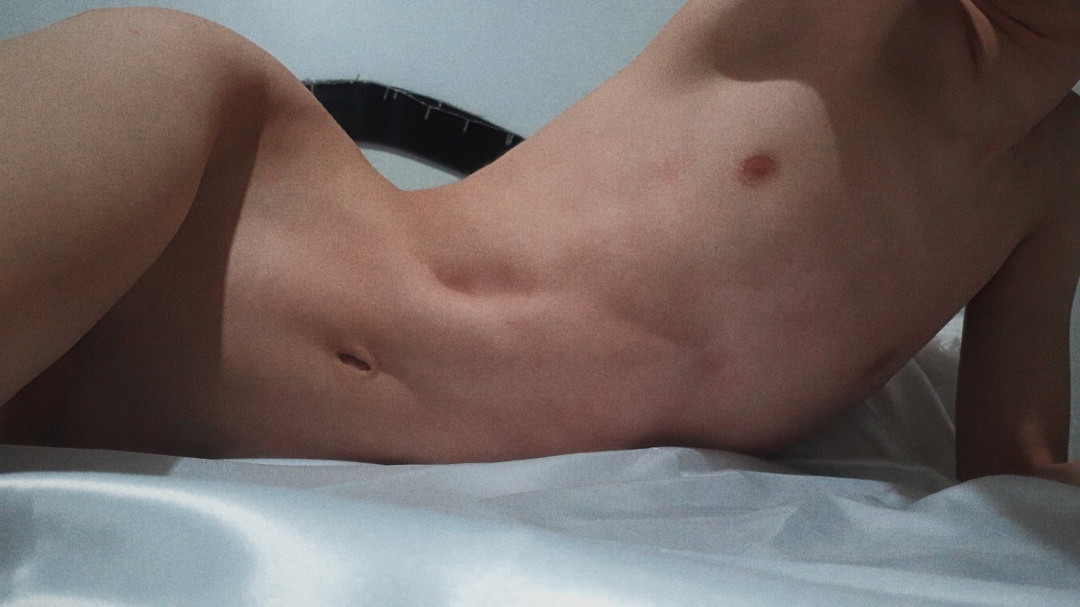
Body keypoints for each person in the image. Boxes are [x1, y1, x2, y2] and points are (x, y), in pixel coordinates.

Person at [0, 1, 1078, 483]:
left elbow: (1017, 465)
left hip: (147, 389)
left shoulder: (1054, 169)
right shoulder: (848, 21)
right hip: (211, 182)